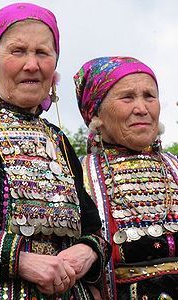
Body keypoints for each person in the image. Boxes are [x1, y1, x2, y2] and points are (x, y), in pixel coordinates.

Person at [0, 3, 111, 300]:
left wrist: (87, 251)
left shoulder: (59, 141)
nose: (32, 64)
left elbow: (94, 231)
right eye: (18, 51)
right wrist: (19, 259)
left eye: (43, 53)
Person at [74, 56, 178, 299]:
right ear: (96, 112)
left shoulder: (175, 167)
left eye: (149, 96)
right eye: (127, 97)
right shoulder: (78, 176)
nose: (142, 108)